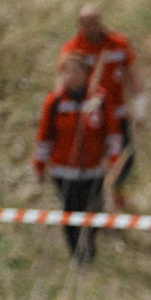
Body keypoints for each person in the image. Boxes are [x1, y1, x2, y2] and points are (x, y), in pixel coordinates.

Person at [33, 53, 122, 264]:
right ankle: (78, 256)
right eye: (67, 71)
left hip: (94, 170)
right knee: (71, 214)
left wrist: (115, 160)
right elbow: (44, 137)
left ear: (86, 73)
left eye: (77, 71)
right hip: (64, 172)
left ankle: (90, 245)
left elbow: (112, 133)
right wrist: (39, 165)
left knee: (95, 212)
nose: (72, 76)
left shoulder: (99, 99)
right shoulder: (54, 102)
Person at [58, 6, 141, 205]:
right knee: (93, 158)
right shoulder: (73, 48)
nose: (90, 27)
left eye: (94, 22)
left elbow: (133, 76)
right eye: (85, 23)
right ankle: (97, 203)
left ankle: (118, 187)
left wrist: (140, 107)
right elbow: (63, 81)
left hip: (118, 113)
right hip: (91, 115)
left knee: (124, 156)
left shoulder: (118, 44)